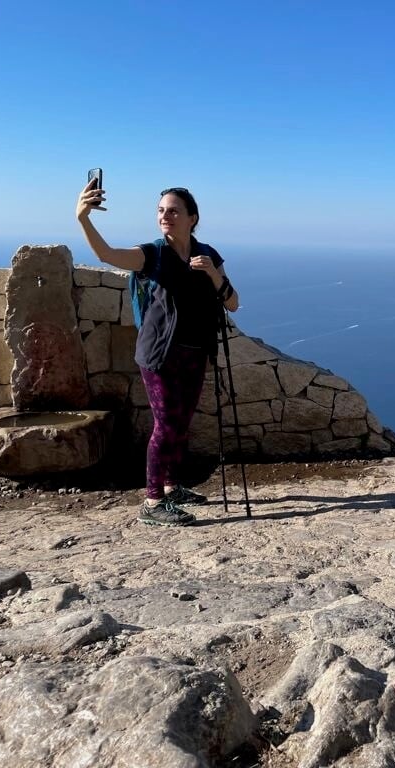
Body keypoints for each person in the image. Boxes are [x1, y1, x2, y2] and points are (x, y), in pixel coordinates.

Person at [76, 180, 239, 527]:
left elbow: (233, 302)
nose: (165, 216)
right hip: (160, 355)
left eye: (174, 211)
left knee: (181, 424)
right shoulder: (152, 254)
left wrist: (212, 272)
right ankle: (152, 502)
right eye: (161, 211)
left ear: (192, 218)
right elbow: (106, 255)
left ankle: (171, 487)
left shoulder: (208, 254)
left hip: (196, 352)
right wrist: (83, 218)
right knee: (165, 426)